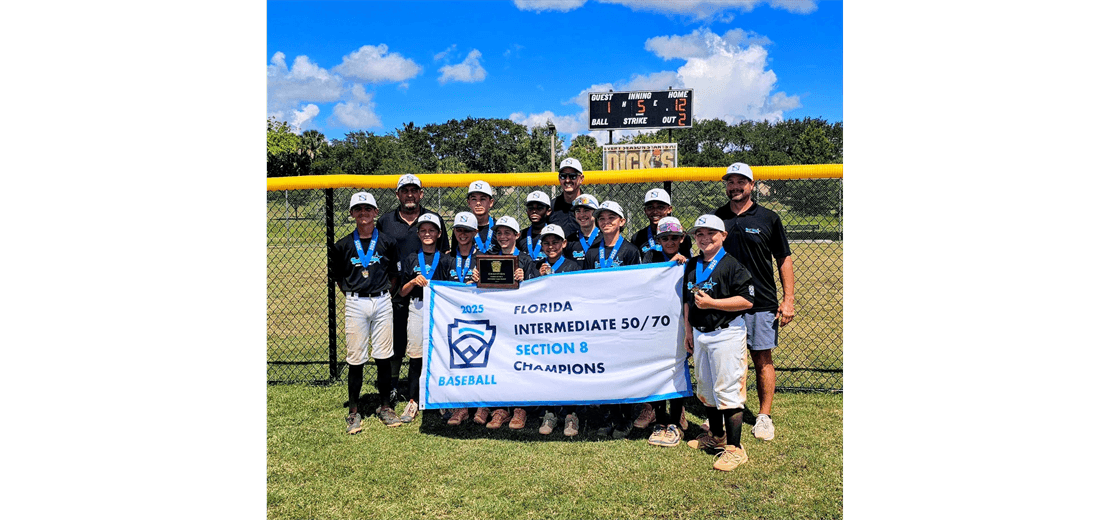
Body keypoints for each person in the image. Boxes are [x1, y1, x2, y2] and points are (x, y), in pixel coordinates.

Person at [712, 162, 795, 442]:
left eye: (740, 182)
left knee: (762, 358)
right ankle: (725, 413)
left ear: (751, 185)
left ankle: (763, 416)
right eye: (730, 182)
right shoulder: (717, 218)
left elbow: (783, 258)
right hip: (725, 303)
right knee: (727, 361)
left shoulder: (768, 218)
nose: (734, 187)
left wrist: (789, 299)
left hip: (761, 302)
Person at [682, 214, 756, 471]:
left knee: (728, 391)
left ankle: (735, 449)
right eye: (699, 234)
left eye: (710, 233)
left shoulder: (732, 265)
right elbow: (687, 302)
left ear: (723, 235)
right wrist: (688, 331)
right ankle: (716, 437)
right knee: (707, 388)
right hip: (701, 333)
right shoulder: (692, 264)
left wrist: (713, 304)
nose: (704, 238)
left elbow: (747, 301)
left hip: (726, 333)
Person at [328, 192, 403, 433]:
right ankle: (353, 411)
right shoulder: (342, 245)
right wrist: (356, 292)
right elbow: (339, 278)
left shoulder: (388, 242)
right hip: (355, 302)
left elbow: (394, 274)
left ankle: (384, 407)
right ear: (352, 213)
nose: (363, 213)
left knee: (383, 355)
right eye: (358, 209)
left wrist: (380, 292)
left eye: (367, 209)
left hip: (382, 300)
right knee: (356, 358)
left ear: (375, 212)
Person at [377, 174, 449, 405]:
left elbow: (445, 253)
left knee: (431, 339)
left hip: (428, 293)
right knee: (397, 338)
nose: (410, 194)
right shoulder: (386, 221)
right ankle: (394, 385)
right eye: (405, 190)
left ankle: (432, 384)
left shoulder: (433, 219)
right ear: (397, 194)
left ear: (421, 194)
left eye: (414, 190)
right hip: (397, 287)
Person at [583, 200, 641, 438]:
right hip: (598, 320)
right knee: (603, 369)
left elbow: (636, 286)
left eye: (611, 218)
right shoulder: (593, 252)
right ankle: (609, 418)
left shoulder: (630, 251)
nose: (606, 222)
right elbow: (584, 285)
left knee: (622, 368)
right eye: (602, 219)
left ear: (622, 222)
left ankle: (626, 419)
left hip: (622, 319)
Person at [478, 216, 538, 430]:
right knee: (499, 363)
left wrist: (527, 278)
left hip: (521, 320)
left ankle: (520, 409)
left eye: (508, 232)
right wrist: (478, 277)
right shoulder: (488, 259)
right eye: (499, 233)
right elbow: (483, 292)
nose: (503, 237)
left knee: (520, 363)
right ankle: (501, 409)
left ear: (517, 235)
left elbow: (538, 292)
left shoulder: (526, 260)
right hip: (498, 319)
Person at [637, 216, 691, 447]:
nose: (669, 242)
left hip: (678, 324)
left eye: (674, 238)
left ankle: (676, 420)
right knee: (658, 368)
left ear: (682, 239)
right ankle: (659, 419)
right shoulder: (650, 258)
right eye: (664, 238)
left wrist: (682, 264)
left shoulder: (689, 263)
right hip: (655, 323)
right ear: (658, 240)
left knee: (677, 368)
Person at [396, 213, 453, 423]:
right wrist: (412, 282)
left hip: (439, 310)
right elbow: (401, 292)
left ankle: (441, 401)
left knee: (441, 355)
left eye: (431, 230)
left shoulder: (447, 260)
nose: (427, 234)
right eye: (423, 230)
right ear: (418, 234)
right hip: (418, 308)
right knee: (416, 356)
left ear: (439, 234)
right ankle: (413, 400)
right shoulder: (411, 258)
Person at [532, 223, 584, 437]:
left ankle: (572, 415)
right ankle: (550, 413)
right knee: (548, 371)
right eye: (546, 243)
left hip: (567, 327)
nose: (551, 246)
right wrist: (539, 277)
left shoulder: (573, 266)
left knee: (570, 369)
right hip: (545, 328)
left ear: (564, 243)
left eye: (555, 242)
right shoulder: (536, 267)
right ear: (541, 245)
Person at [443, 212, 483, 427]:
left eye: (467, 230)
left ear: (476, 233)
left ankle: (482, 405)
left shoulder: (484, 259)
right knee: (457, 360)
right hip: (452, 317)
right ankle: (461, 406)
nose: (463, 234)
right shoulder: (447, 259)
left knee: (479, 360)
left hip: (477, 317)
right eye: (459, 230)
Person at [631, 188, 693, 260]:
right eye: (650, 207)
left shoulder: (679, 234)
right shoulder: (638, 237)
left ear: (669, 209)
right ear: (645, 211)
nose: (655, 211)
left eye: (660, 207)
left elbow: (688, 261)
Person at [453, 180, 499, 254]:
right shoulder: (461, 228)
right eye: (474, 199)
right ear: (469, 202)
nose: (478, 203)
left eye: (482, 199)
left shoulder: (498, 228)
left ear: (491, 202)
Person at [548, 158, 586, 240]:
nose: (567, 180)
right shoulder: (552, 206)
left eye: (573, 176)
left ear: (581, 179)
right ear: (559, 179)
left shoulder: (590, 206)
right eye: (563, 176)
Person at [563, 194, 600, 269]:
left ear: (596, 213)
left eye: (586, 211)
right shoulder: (570, 240)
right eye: (578, 211)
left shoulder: (604, 238)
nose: (582, 215)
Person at [516, 191, 552, 261]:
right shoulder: (521, 236)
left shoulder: (554, 235)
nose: (534, 211)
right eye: (531, 208)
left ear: (548, 211)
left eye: (539, 208)